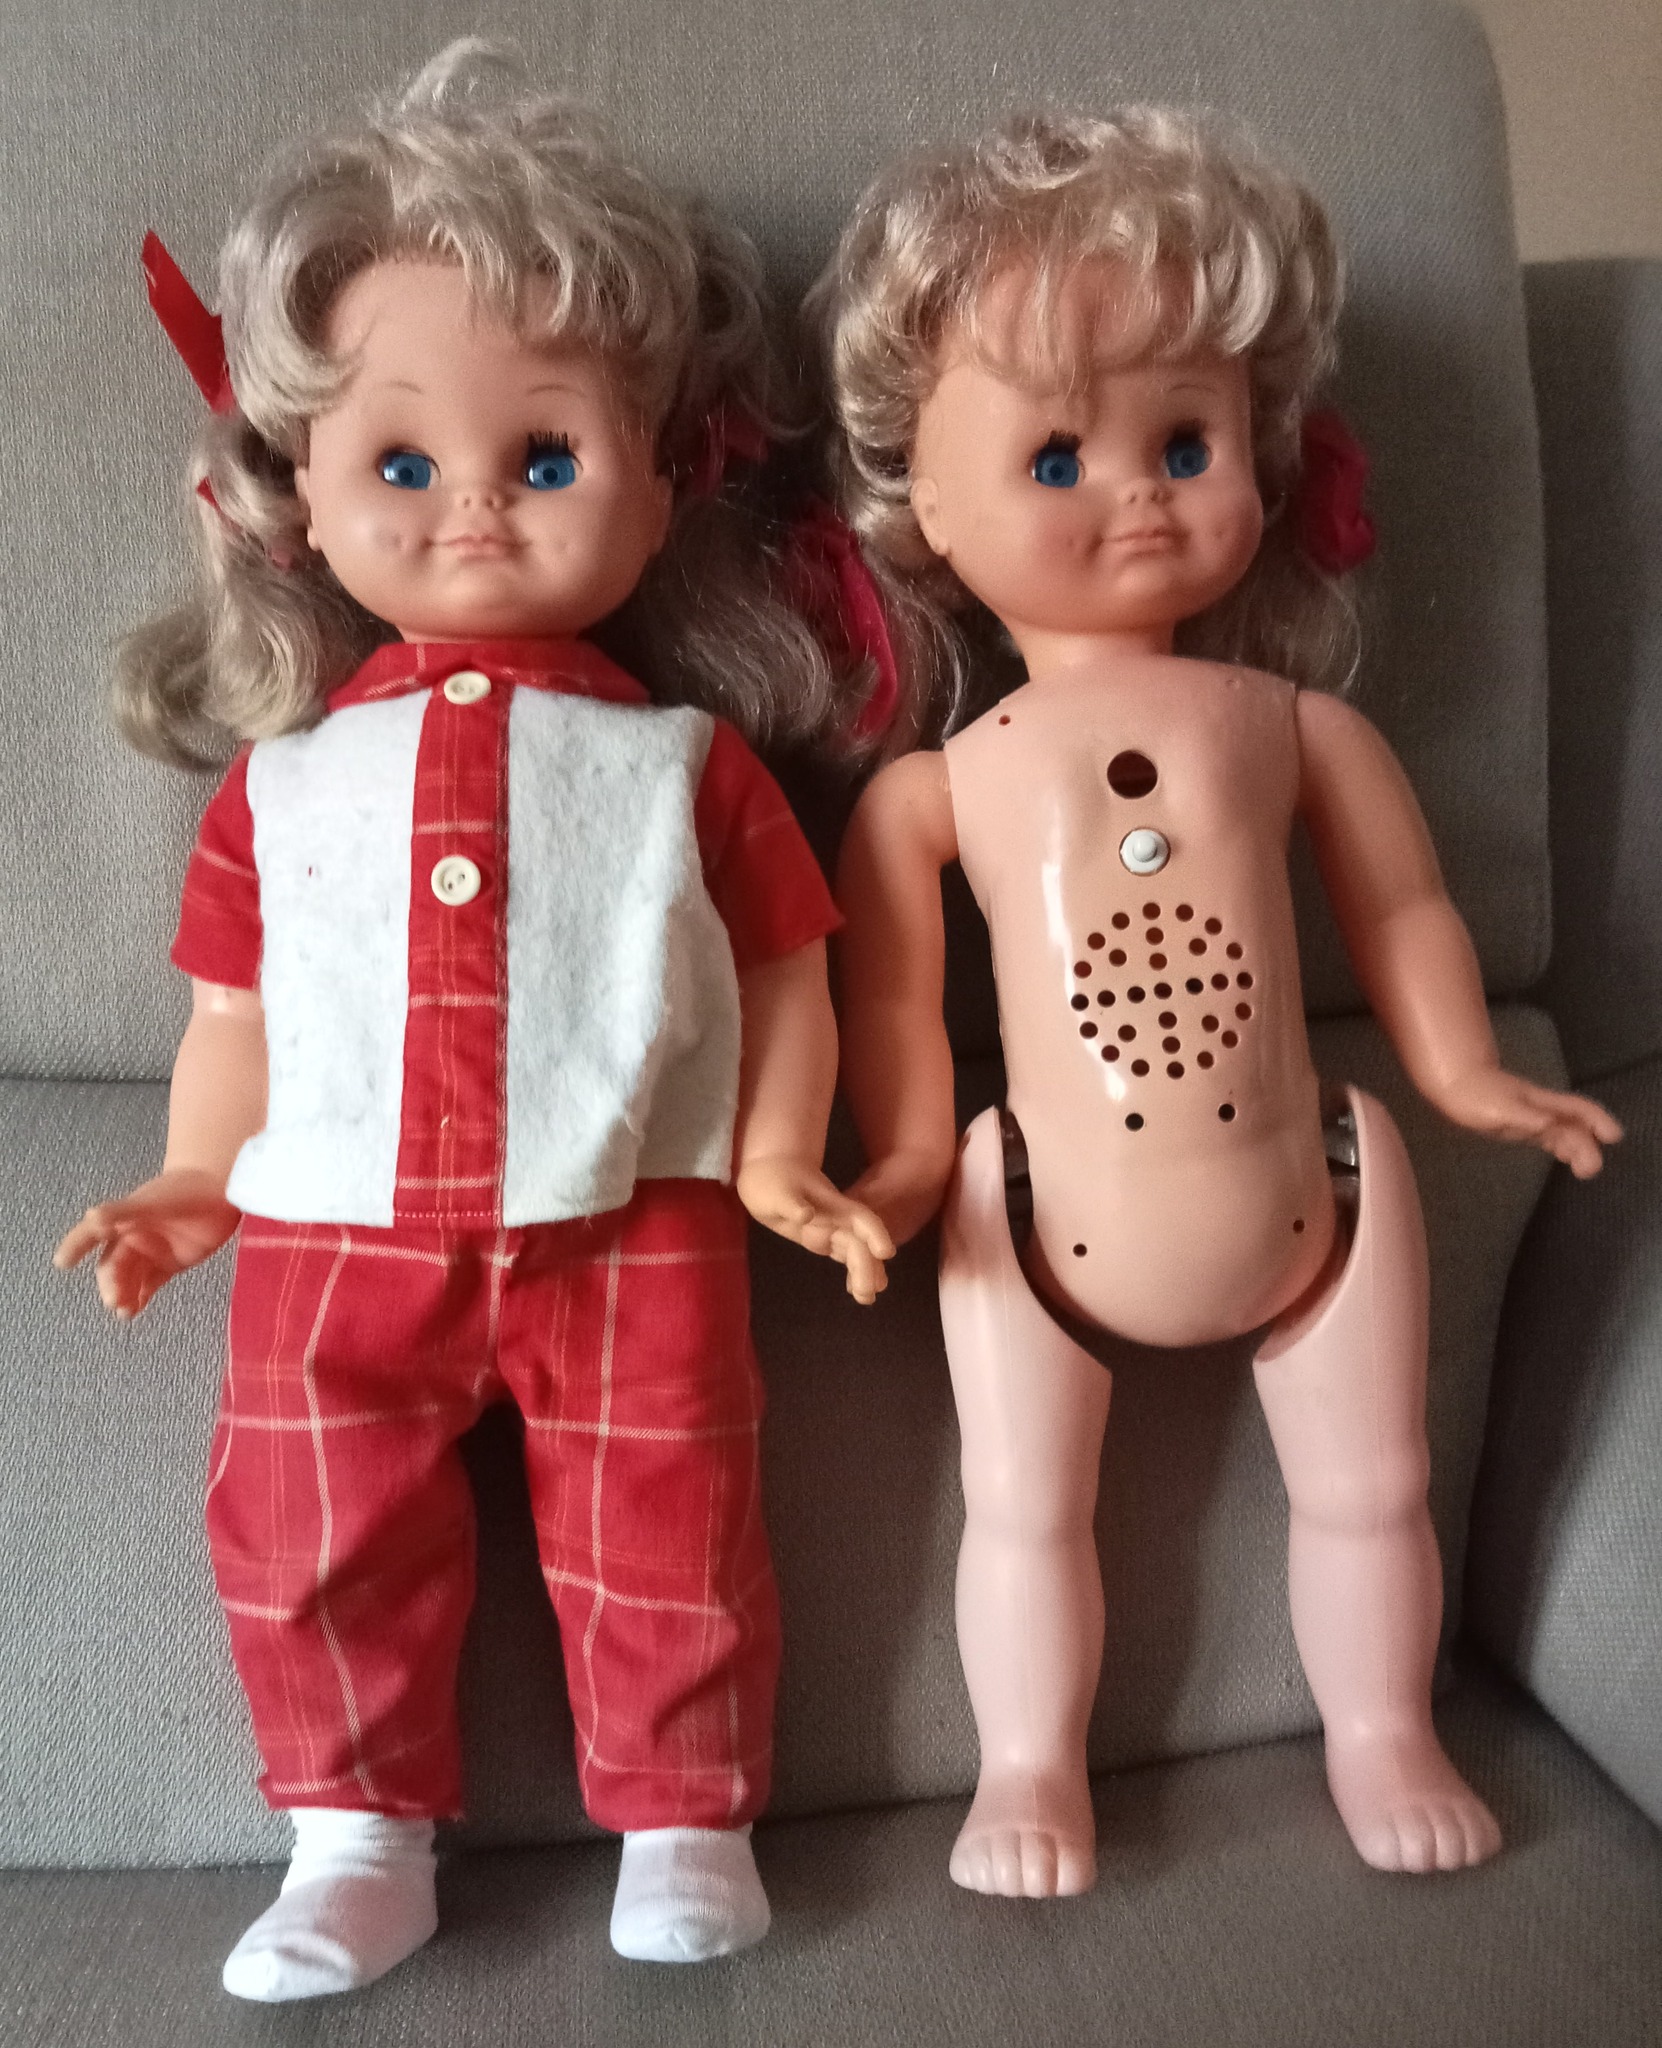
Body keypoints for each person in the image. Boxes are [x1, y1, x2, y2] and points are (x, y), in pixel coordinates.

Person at [54, 40, 890, 1999]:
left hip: (636, 1208)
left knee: (672, 1517)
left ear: (661, 482)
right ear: (300, 497)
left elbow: (792, 964)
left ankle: (686, 1818)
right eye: (402, 465)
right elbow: (234, 1010)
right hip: (331, 1216)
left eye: (547, 459)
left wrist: (779, 1151)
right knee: (308, 1521)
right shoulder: (279, 786)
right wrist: (192, 1179)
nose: (476, 511)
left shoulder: (685, 764)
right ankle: (356, 1840)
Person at [817, 106, 1618, 1898]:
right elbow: (891, 1014)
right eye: (1057, 453)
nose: (1137, 490)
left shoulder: (1297, 729)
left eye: (1185, 442)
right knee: (1021, 1506)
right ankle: (1028, 1767)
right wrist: (899, 1167)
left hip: (1312, 1199)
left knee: (1373, 1487)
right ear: (924, 504)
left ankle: (1381, 1731)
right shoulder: (935, 788)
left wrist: (1467, 1071)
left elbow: (1403, 905)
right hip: (1034, 1216)